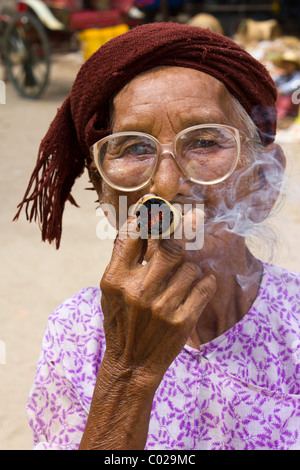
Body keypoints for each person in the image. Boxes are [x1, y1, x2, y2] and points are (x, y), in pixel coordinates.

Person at [15, 22, 300, 450]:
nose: (167, 186)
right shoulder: (76, 334)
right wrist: (127, 371)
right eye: (134, 148)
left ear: (261, 181)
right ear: (106, 191)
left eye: (204, 142)